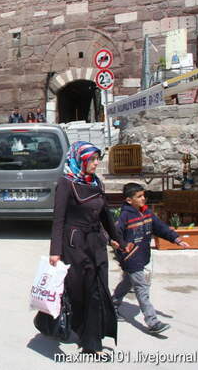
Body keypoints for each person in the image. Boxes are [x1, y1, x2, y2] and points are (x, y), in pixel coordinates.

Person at [49, 141, 132, 355]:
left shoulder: (96, 183)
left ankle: (91, 342)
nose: (96, 163)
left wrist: (117, 240)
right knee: (78, 292)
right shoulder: (66, 183)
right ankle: (70, 325)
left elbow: (106, 216)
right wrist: (55, 252)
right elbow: (58, 219)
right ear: (80, 160)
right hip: (74, 245)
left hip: (96, 244)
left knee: (97, 290)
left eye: (97, 159)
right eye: (92, 159)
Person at [111, 183, 190, 333]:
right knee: (142, 288)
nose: (143, 199)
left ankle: (111, 305)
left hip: (142, 256)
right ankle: (152, 322)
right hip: (131, 258)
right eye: (139, 197)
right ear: (129, 200)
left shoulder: (147, 213)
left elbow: (161, 227)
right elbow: (115, 235)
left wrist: (177, 239)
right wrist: (119, 246)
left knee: (127, 283)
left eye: (143, 196)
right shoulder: (124, 216)